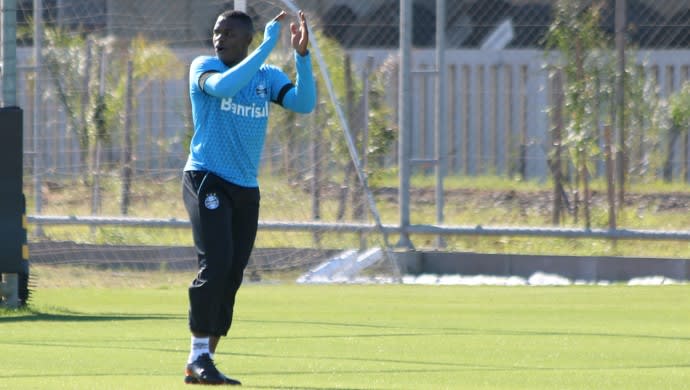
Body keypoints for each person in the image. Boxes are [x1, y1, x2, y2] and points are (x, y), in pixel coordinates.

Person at [182, 8, 316, 385]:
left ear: (247, 39)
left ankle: (204, 361)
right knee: (216, 262)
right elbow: (223, 87)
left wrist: (301, 58)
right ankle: (196, 357)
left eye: (228, 33)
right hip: (206, 176)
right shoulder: (203, 66)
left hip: (245, 187)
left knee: (232, 274)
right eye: (216, 30)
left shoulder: (267, 77)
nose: (219, 37)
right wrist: (268, 48)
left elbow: (304, 104)